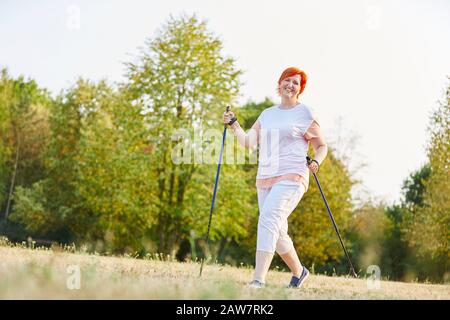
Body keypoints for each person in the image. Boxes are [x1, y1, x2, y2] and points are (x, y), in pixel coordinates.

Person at [222, 67, 328, 288]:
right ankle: (299, 272)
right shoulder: (267, 114)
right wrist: (234, 124)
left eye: (296, 83)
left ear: (300, 89)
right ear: (279, 84)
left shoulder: (305, 113)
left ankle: (258, 280)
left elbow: (321, 146)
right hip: (266, 176)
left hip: (293, 175)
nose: (290, 85)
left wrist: (316, 161)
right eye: (287, 81)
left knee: (268, 219)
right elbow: (249, 142)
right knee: (278, 232)